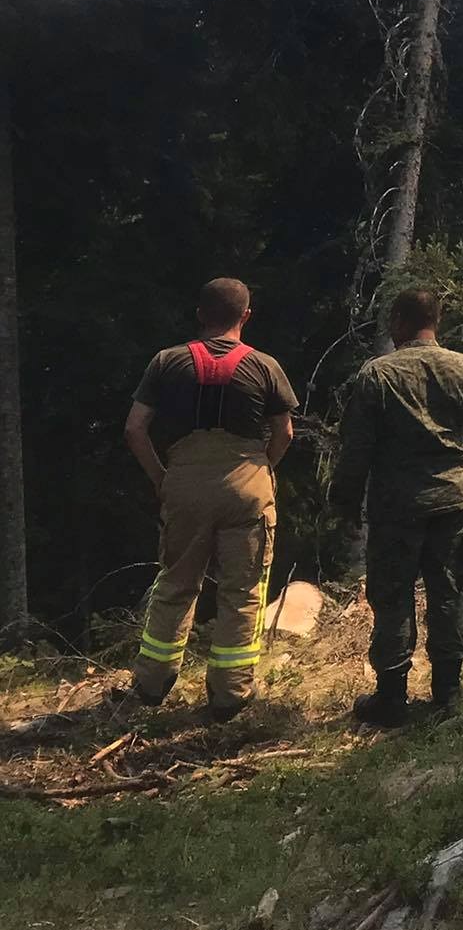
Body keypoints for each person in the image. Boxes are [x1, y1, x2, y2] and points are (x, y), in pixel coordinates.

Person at [123, 276, 297, 721]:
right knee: (242, 591)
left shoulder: (166, 362)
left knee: (177, 582)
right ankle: (230, 695)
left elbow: (135, 429)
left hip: (184, 483)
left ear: (200, 314)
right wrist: (263, 471)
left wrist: (161, 478)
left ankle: (151, 682)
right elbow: (284, 433)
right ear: (246, 316)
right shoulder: (265, 366)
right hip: (247, 486)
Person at [334, 288, 463, 727]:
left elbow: (357, 448)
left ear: (402, 320)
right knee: (448, 592)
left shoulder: (377, 375)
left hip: (397, 505)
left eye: (392, 320)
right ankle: (449, 695)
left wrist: (343, 502)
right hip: (452, 500)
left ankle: (391, 698)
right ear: (435, 321)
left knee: (392, 596)